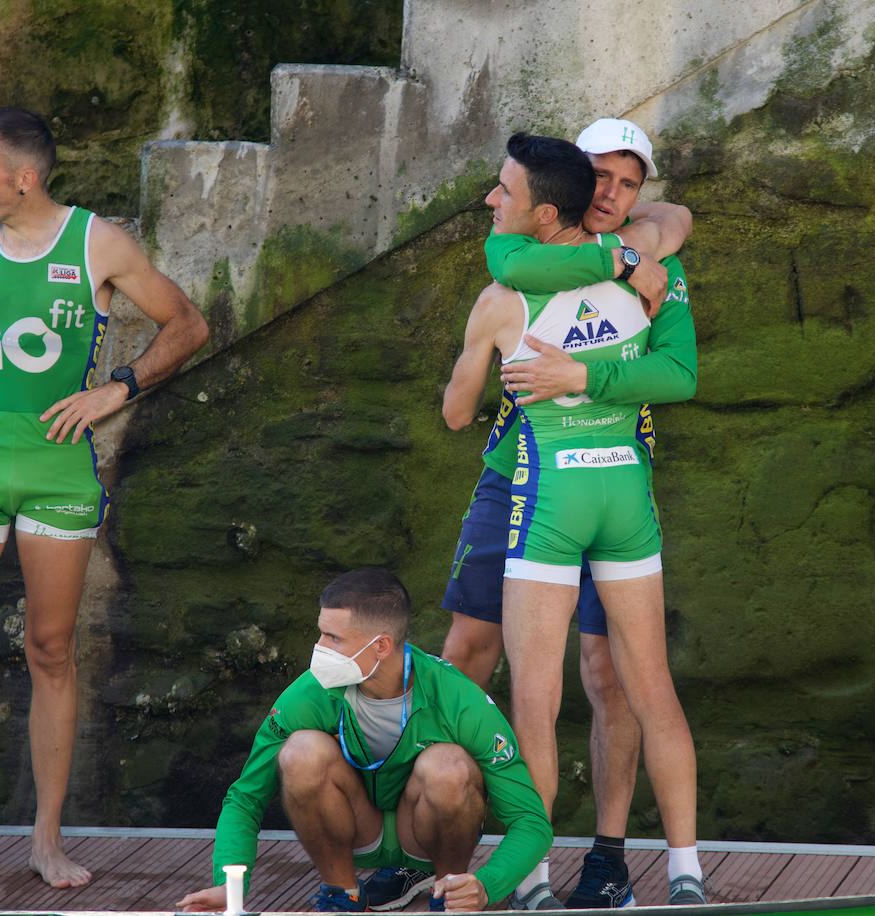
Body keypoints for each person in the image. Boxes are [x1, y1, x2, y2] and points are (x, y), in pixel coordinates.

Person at [0, 107, 210, 890]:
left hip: (61, 471)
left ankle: (47, 840)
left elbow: (187, 324)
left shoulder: (97, 242)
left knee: (52, 651)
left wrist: (115, 391)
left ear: (22, 178)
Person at [436, 119, 696, 909]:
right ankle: (437, 846)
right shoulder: (526, 263)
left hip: (595, 476)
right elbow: (508, 256)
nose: (614, 195)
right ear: (569, 188)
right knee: (470, 657)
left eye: (630, 183)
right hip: (513, 482)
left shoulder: (654, 253)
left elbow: (674, 231)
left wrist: (581, 374)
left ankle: (606, 857)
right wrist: (623, 257)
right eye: (601, 179)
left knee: (609, 677)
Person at [175, 568, 552, 913]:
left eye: (333, 638)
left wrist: (486, 885)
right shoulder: (309, 693)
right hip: (357, 830)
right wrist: (228, 885)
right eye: (320, 633)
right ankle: (343, 894)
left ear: (382, 646)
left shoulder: (460, 700)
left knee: (449, 765)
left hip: (425, 836)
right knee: (302, 751)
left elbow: (531, 821)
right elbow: (246, 797)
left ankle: (451, 895)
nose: (319, 649)